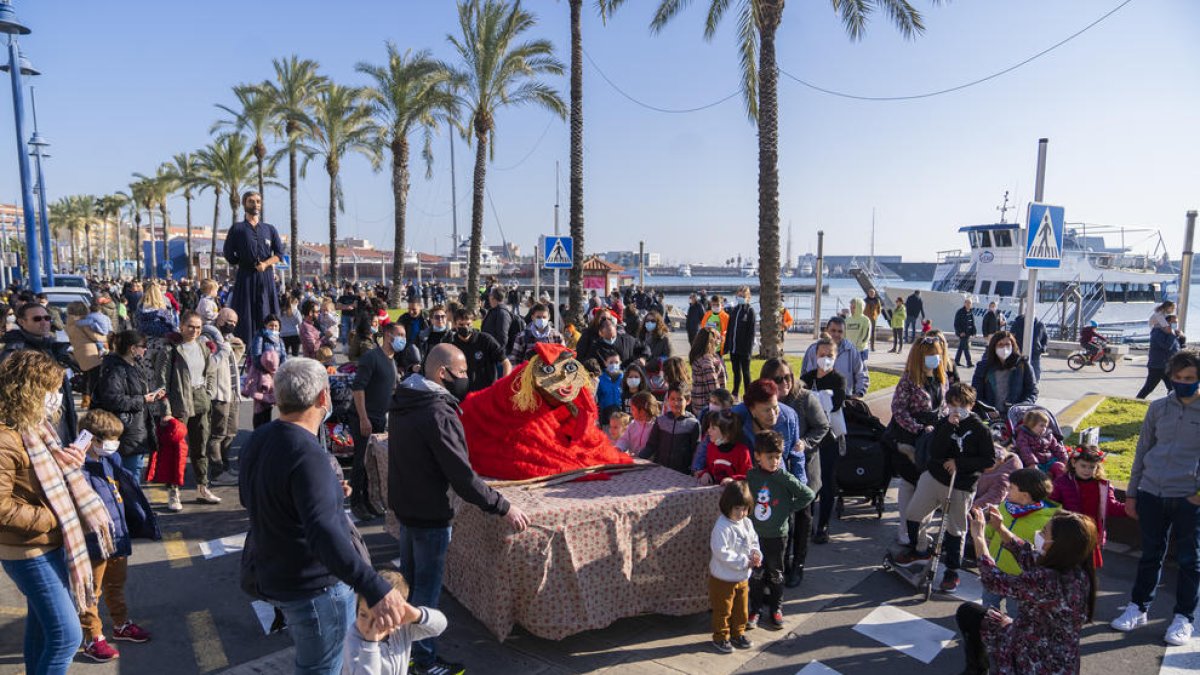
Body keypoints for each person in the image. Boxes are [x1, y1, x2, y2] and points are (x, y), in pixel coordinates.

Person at [240, 357, 412, 675]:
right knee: (322, 667)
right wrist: (374, 587)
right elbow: (324, 534)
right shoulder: (309, 456)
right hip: (314, 589)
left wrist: (328, 492)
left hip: (276, 574)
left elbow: (254, 497)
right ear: (323, 398)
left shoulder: (260, 438)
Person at [388, 344, 529, 674]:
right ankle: (423, 661)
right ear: (442, 373)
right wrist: (503, 506)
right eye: (462, 372)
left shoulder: (403, 399)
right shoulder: (437, 412)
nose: (466, 378)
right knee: (426, 593)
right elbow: (463, 477)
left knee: (408, 584)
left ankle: (401, 650)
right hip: (430, 516)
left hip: (406, 509)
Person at [0, 350, 114, 675]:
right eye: (51, 389)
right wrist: (53, 517)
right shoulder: (6, 437)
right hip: (27, 550)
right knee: (66, 636)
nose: (57, 396)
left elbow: (41, 475)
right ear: (29, 389)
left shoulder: (33, 427)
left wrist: (67, 463)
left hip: (45, 545)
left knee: (41, 631)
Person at [1111, 350, 1200, 645]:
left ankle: (1183, 617)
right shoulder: (1158, 408)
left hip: (1189, 499)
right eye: (1177, 377)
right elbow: (1142, 451)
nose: (1182, 382)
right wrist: (1133, 493)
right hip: (1151, 493)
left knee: (1190, 561)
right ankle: (1138, 607)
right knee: (1150, 555)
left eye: (1189, 378)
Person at [957, 509, 1096, 675]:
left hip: (1033, 657)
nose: (1039, 534)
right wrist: (1000, 528)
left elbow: (993, 580)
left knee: (969, 614)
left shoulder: (1047, 580)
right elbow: (1027, 554)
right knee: (972, 614)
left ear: (1057, 544)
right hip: (1061, 658)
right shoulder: (1078, 570)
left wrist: (978, 537)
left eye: (1044, 532)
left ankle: (978, 670)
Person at [893, 383, 995, 592]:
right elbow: (935, 449)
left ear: (971, 405)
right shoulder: (943, 423)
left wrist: (961, 463)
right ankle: (919, 550)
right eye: (952, 405)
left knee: (955, 528)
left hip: (961, 485)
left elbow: (988, 460)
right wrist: (947, 426)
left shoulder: (980, 430)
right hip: (935, 477)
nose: (956, 410)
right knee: (914, 514)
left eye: (962, 406)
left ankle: (951, 571)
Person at [75, 410, 158, 662]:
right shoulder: (77, 469)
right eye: (109, 439)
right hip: (93, 542)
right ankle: (93, 637)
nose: (114, 444)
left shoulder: (111, 461)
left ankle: (121, 625)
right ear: (90, 439)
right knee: (91, 591)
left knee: (116, 584)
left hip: (117, 536)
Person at [745, 430, 815, 632]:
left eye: (777, 457)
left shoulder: (784, 477)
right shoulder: (752, 476)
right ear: (758, 456)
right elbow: (745, 498)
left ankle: (776, 608)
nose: (774, 461)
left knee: (776, 574)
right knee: (756, 574)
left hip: (777, 535)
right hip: (756, 537)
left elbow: (807, 495)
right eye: (770, 457)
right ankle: (755, 609)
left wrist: (787, 508)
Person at [887, 335, 948, 544]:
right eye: (931, 355)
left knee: (929, 485)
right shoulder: (908, 380)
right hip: (911, 438)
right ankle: (905, 529)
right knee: (909, 484)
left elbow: (945, 405)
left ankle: (921, 529)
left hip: (934, 437)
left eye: (938, 355)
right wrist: (918, 428)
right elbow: (898, 409)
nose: (935, 359)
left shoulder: (941, 378)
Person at [157, 311, 219, 505]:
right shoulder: (170, 350)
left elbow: (210, 373)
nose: (194, 330)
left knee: (200, 447)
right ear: (181, 326)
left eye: (198, 327)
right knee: (176, 449)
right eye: (191, 326)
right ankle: (173, 491)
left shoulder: (204, 348)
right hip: (178, 404)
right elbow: (161, 382)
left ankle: (202, 486)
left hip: (200, 400)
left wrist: (208, 393)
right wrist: (165, 410)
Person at [346, 321, 404, 521]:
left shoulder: (392, 360)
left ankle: (370, 500)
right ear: (388, 335)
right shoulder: (371, 357)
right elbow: (358, 388)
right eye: (400, 334)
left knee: (372, 463)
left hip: (380, 418)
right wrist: (363, 418)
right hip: (365, 417)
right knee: (361, 461)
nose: (403, 339)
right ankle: (356, 502)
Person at [342, 568, 447, 675]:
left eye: (378, 618)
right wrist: (370, 644)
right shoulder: (354, 638)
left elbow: (440, 626)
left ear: (396, 616)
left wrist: (417, 615)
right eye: (363, 614)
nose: (369, 625)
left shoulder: (402, 629)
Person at [1, 302, 80, 444]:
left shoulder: (51, 346)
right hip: (33, 422)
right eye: (37, 319)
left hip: (59, 417)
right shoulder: (15, 351)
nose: (44, 322)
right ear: (21, 322)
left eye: (47, 318)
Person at [982, 468, 1058, 613]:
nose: (1007, 490)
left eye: (1011, 488)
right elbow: (990, 531)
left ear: (1024, 495)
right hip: (996, 571)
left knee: (1016, 614)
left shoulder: (1045, 521)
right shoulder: (1004, 507)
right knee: (988, 608)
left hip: (1021, 580)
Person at [93, 330, 165, 479]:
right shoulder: (116, 369)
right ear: (132, 348)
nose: (146, 349)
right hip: (126, 431)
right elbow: (112, 399)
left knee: (132, 472)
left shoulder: (133, 366)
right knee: (130, 476)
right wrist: (143, 400)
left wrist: (152, 396)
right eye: (143, 346)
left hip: (136, 428)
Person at [799, 339, 846, 546]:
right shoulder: (806, 378)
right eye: (822, 354)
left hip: (829, 438)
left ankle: (823, 525)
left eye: (830, 355)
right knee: (808, 481)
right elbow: (800, 400)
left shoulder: (838, 380)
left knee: (827, 481)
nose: (825, 359)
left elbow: (837, 403)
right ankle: (806, 522)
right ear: (815, 355)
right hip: (809, 437)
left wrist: (817, 399)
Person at [1050, 445, 1127, 570]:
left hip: (1091, 536)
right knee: (1067, 571)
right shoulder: (1061, 482)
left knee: (1088, 573)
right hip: (1068, 535)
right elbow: (1051, 505)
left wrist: (1134, 508)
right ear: (1074, 463)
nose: (1087, 470)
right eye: (1083, 466)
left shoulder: (1102, 485)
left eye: (1092, 467)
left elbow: (1112, 507)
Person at [223, 190, 283, 345]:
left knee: (267, 310)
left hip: (266, 277)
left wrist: (266, 264)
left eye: (258, 201)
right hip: (246, 277)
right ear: (244, 204)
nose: (255, 204)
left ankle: (269, 343)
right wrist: (243, 263)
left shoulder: (270, 229)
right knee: (245, 312)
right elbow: (228, 253)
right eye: (251, 201)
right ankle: (247, 345)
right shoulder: (237, 229)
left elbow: (279, 254)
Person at [707, 480, 760, 654]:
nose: (741, 513)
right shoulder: (722, 526)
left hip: (742, 577)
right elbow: (722, 552)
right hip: (723, 578)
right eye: (737, 508)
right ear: (727, 505)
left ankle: (738, 633)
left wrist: (756, 554)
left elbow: (753, 541)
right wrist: (745, 561)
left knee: (741, 609)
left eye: (744, 509)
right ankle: (721, 637)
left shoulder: (747, 523)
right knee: (723, 611)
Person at [205, 309, 244, 485]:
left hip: (232, 393)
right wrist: (223, 350)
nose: (232, 325)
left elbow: (229, 362)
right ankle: (216, 472)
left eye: (235, 322)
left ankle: (226, 467)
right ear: (220, 319)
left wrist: (239, 350)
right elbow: (209, 366)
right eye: (229, 321)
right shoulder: (208, 337)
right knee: (217, 434)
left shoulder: (228, 339)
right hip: (218, 394)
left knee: (231, 432)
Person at [639, 383, 701, 475]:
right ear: (668, 400)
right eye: (672, 399)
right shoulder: (661, 421)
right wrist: (639, 459)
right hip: (660, 470)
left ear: (688, 401)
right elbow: (651, 446)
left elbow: (696, 452)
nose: (676, 403)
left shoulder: (693, 424)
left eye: (680, 399)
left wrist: (695, 471)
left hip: (682, 474)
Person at [971, 331, 1038, 414]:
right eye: (1000, 345)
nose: (1004, 348)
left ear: (1013, 346)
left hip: (1015, 416)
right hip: (990, 416)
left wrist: (1020, 407)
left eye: (1007, 344)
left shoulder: (1023, 365)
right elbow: (975, 393)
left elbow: (1032, 391)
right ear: (994, 347)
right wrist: (987, 410)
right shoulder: (983, 367)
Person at [801, 317, 868, 398]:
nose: (836, 334)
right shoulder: (813, 349)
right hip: (816, 401)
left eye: (840, 331)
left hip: (844, 400)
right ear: (827, 330)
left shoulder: (851, 351)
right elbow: (804, 374)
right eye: (833, 330)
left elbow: (861, 374)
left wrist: (859, 394)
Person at [449, 308, 511, 393]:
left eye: (468, 324)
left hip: (487, 392)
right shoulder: (451, 344)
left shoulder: (485, 340)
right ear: (455, 325)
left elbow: (506, 362)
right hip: (463, 395)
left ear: (473, 323)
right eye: (461, 324)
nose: (465, 327)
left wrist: (503, 384)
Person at [65, 301, 108, 406]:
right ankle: (92, 399)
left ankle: (86, 399)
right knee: (95, 377)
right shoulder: (83, 323)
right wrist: (106, 337)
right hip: (90, 351)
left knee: (87, 376)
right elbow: (95, 336)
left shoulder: (69, 323)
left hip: (79, 351)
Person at [695, 410, 753, 485]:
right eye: (709, 427)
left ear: (727, 433)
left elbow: (749, 476)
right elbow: (710, 468)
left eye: (713, 428)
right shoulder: (711, 448)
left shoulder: (742, 451)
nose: (708, 430)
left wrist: (733, 479)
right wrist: (705, 474)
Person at [1136, 314, 1183, 399]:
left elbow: (1177, 349)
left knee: (1173, 389)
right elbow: (1166, 346)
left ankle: (1172, 405)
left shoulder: (1172, 333)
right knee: (1148, 388)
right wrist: (1172, 335)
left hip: (1169, 366)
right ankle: (1137, 400)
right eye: (1173, 322)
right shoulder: (1157, 332)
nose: (1175, 325)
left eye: (1176, 323)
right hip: (1158, 366)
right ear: (1166, 323)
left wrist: (1182, 338)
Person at [1012, 409, 1068, 476]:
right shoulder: (1023, 436)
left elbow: (1056, 447)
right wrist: (1032, 463)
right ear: (1031, 425)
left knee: (1060, 466)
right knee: (1036, 474)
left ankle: (1061, 483)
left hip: (1050, 461)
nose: (1044, 429)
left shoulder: (1048, 435)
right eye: (1041, 425)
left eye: (1045, 426)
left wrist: (1064, 457)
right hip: (1035, 463)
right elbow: (1025, 450)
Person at [724, 287, 756, 399]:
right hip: (734, 348)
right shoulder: (734, 310)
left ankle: (748, 394)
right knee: (736, 372)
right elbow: (729, 329)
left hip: (744, 349)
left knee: (746, 372)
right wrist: (727, 345)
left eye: (743, 296)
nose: (741, 298)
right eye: (739, 295)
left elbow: (751, 333)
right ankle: (735, 392)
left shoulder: (750, 311)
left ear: (748, 297)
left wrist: (749, 350)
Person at [689, 327, 727, 414]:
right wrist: (722, 403)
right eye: (718, 339)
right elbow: (713, 387)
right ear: (711, 342)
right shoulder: (706, 361)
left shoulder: (699, 357)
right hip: (707, 407)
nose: (719, 342)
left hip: (698, 404)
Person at [480, 288, 521, 357]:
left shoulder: (502, 313)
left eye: (490, 295)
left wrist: (496, 354)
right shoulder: (495, 311)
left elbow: (502, 337)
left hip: (496, 355)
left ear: (492, 298)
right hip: (490, 352)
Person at [615, 391, 658, 456]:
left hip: (650, 463)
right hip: (634, 461)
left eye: (633, 409)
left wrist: (641, 456)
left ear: (642, 411)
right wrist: (619, 448)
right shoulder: (632, 425)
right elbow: (624, 440)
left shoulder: (656, 426)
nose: (631, 412)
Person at [1008, 314, 1048, 381]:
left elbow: (1045, 339)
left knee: (1035, 377)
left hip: (1035, 355)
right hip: (1019, 354)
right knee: (1018, 377)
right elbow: (1011, 336)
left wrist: (1043, 348)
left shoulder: (1040, 325)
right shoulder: (1018, 323)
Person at [843, 298, 871, 363]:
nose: (851, 309)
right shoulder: (847, 320)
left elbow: (866, 335)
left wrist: (859, 344)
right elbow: (844, 334)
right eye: (851, 307)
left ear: (860, 307)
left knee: (861, 370)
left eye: (854, 307)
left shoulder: (865, 320)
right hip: (848, 349)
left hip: (861, 350)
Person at [953, 298, 977, 368]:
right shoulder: (960, 312)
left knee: (961, 347)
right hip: (962, 333)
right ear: (964, 303)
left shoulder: (970, 312)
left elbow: (972, 323)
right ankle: (969, 363)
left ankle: (956, 361)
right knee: (966, 348)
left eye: (970, 303)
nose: (968, 304)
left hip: (968, 333)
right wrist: (960, 332)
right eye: (967, 303)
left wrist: (974, 332)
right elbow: (956, 323)